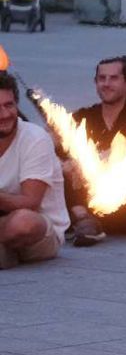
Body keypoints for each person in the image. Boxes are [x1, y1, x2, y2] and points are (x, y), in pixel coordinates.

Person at [59, 57, 126, 246]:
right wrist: (63, 163)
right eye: (101, 78)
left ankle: (83, 219)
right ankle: (83, 218)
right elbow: (53, 153)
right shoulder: (81, 117)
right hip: (86, 203)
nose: (106, 84)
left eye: (113, 78)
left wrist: (82, 163)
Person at [0, 72, 68, 270]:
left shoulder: (34, 139)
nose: (4, 115)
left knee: (24, 222)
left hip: (38, 230)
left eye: (9, 105)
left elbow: (30, 203)